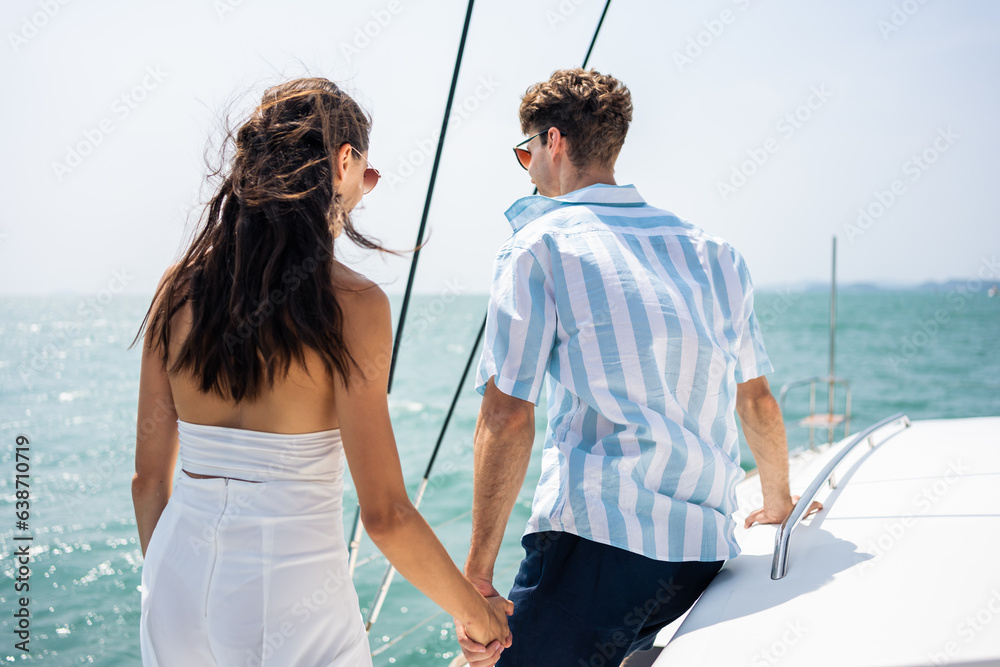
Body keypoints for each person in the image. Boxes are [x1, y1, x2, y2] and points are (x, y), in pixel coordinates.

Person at [130, 77, 511, 666]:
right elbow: (385, 514)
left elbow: (148, 481)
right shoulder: (353, 307)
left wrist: (169, 582)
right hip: (288, 596)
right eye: (369, 172)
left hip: (173, 587)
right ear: (344, 162)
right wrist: (477, 615)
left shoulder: (177, 288)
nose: (370, 186)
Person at [453, 69, 821, 666]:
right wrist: (779, 501)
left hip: (596, 551)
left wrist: (477, 576)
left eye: (525, 153)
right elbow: (754, 397)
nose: (527, 168)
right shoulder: (714, 253)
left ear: (554, 143)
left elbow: (508, 415)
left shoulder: (539, 247)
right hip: (699, 556)